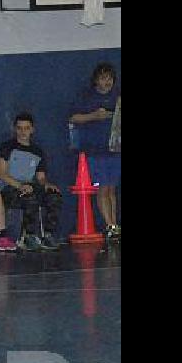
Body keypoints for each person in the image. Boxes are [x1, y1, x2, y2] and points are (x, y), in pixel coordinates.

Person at [69, 62, 121, 241]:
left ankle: (115, 224)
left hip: (114, 150)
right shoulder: (87, 98)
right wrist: (94, 116)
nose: (106, 82)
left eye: (109, 78)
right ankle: (109, 225)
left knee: (112, 189)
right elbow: (73, 117)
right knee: (102, 189)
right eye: (103, 78)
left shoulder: (118, 97)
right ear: (96, 80)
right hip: (95, 151)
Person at [0, 112, 63, 251]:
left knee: (53, 196)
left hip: (29, 187)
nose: (23, 132)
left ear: (32, 129)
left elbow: (40, 177)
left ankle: (48, 235)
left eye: (26, 128)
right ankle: (29, 236)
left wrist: (47, 185)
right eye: (19, 128)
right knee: (30, 198)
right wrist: (20, 186)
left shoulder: (37, 151)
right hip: (10, 188)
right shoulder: (7, 147)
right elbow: (2, 174)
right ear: (15, 129)